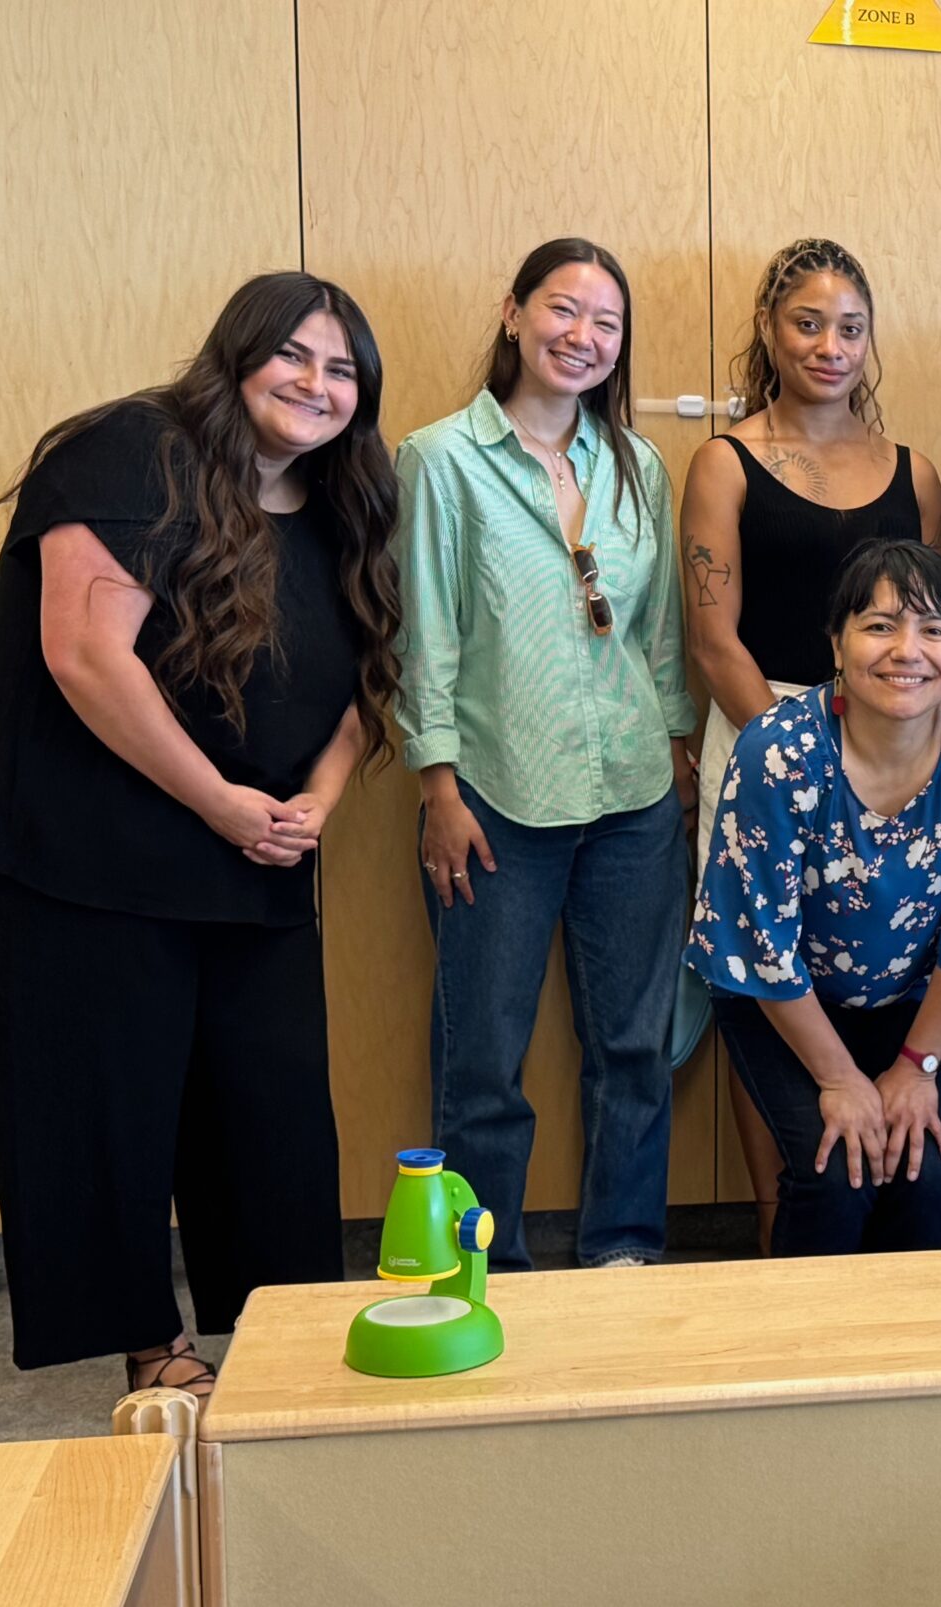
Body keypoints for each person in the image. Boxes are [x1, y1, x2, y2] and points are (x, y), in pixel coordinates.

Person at [0, 272, 401, 1398]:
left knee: (270, 1124)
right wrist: (216, 797)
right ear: (237, 353)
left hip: (256, 858)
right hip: (93, 860)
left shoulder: (347, 498)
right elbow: (83, 653)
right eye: (297, 356)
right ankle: (153, 1349)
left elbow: (368, 681)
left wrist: (318, 794)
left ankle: (276, 1344)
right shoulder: (132, 448)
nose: (320, 385)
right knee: (106, 1114)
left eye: (344, 369)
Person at [396, 238, 698, 1271]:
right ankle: (486, 1265)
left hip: (633, 797)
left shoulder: (638, 465)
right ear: (514, 311)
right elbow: (423, 633)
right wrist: (437, 783)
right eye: (563, 310)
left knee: (634, 1048)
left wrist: (676, 751)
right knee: (483, 1059)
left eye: (605, 323)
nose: (582, 337)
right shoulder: (441, 458)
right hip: (492, 799)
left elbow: (659, 630)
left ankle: (622, 1252)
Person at [682, 238, 941, 1253]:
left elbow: (926, 630)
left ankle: (876, 1184)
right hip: (766, 740)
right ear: (769, 330)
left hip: (896, 743)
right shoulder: (726, 459)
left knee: (876, 963)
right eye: (807, 323)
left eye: (849, 327)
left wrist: (879, 752)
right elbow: (714, 635)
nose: (830, 346)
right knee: (769, 968)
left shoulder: (914, 471)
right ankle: (777, 1218)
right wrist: (804, 759)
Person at [687, 541, 941, 1255]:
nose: (906, 651)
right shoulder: (777, 751)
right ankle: (810, 1356)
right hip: (783, 1000)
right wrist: (839, 1078)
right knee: (836, 1175)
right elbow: (761, 943)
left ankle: (908, 1360)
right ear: (837, 642)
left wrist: (915, 1066)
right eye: (880, 625)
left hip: (916, 1000)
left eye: (933, 630)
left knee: (927, 1176)